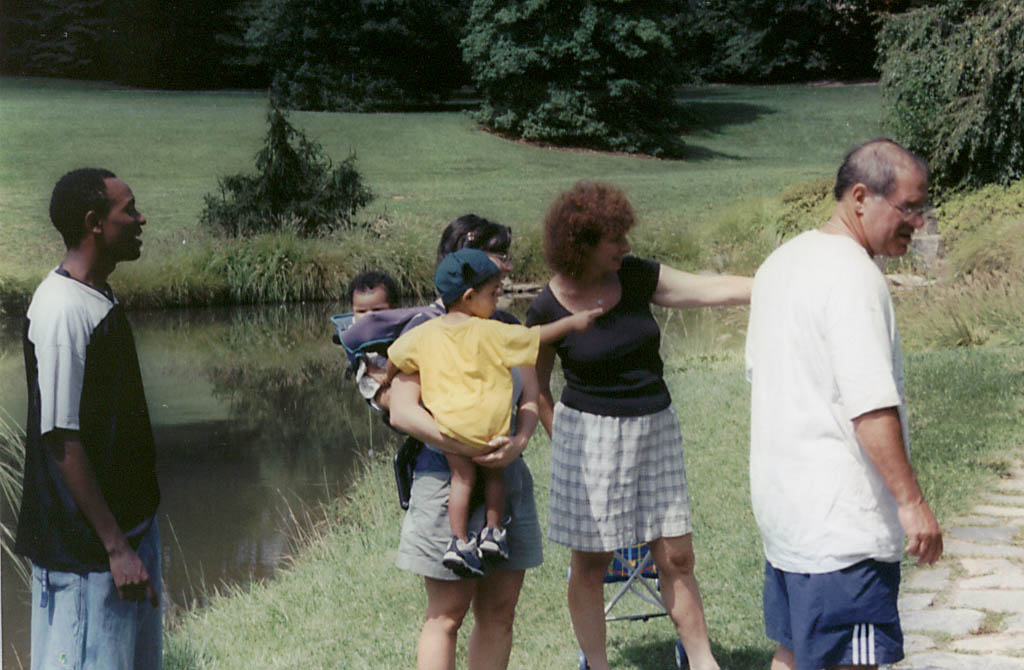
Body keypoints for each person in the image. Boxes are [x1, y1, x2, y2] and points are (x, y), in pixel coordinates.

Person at [526, 181, 751, 670]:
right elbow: (537, 389)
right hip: (590, 439)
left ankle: (701, 660)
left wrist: (772, 285)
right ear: (580, 244)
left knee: (676, 557)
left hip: (656, 429)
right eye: (615, 239)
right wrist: (564, 442)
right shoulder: (545, 308)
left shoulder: (636, 276)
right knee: (591, 565)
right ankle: (596, 664)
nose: (626, 247)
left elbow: (708, 289)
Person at [745, 138, 943, 670]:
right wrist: (910, 501)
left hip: (788, 518)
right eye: (909, 208)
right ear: (861, 197)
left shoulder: (780, 264)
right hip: (841, 529)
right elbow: (870, 405)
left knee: (793, 653)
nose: (918, 223)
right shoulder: (854, 276)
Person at [15, 168, 162, 669]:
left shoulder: (96, 294)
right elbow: (61, 440)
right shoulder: (60, 310)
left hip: (126, 537)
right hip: (89, 557)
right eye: (129, 210)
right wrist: (116, 549)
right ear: (94, 222)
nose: (141, 219)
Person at [386, 215, 545, 670]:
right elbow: (402, 410)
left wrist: (520, 440)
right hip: (445, 477)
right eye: (499, 257)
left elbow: (531, 396)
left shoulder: (506, 324)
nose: (507, 269)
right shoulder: (425, 328)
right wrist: (463, 443)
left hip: (506, 476)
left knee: (499, 612)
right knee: (446, 616)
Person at [387, 249, 600, 577]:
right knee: (495, 474)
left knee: (463, 478)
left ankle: (457, 541)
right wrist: (574, 321)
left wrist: (387, 377)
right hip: (491, 430)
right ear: (470, 297)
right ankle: (492, 530)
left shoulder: (422, 334)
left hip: (451, 430)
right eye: (493, 294)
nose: (497, 301)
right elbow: (536, 336)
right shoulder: (491, 331)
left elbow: (394, 356)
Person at [345, 270, 401, 409]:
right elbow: (354, 355)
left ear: (394, 309)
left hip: (399, 371)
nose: (369, 317)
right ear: (353, 310)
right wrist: (370, 369)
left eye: (377, 310)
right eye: (361, 312)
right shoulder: (353, 331)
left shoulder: (400, 323)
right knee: (393, 400)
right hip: (373, 380)